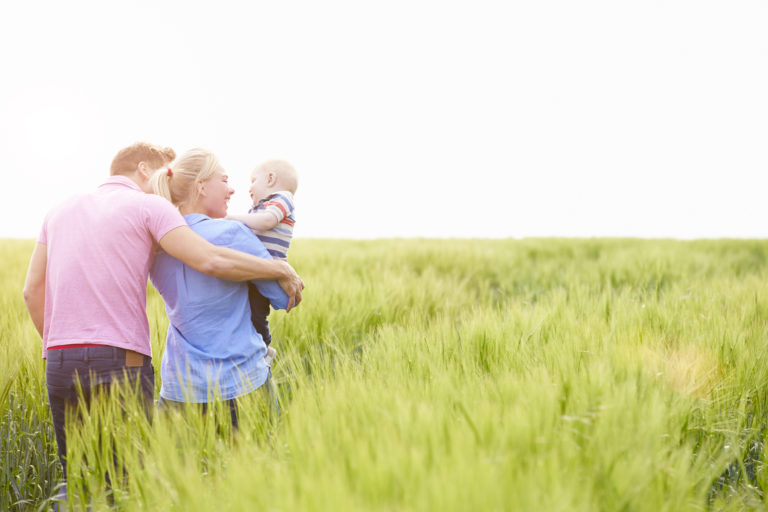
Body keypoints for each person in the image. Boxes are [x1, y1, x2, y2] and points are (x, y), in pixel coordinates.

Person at [21, 142, 303, 502]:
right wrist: (279, 265)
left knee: (83, 482)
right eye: (224, 179)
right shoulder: (168, 217)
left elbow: (32, 291)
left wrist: (59, 348)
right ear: (145, 170)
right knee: (136, 485)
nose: (232, 188)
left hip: (112, 373)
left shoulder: (71, 214)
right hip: (179, 370)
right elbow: (227, 269)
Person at [149, 148, 289, 427]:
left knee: (182, 471)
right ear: (201, 187)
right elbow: (284, 297)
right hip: (241, 384)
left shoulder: (158, 247)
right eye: (224, 180)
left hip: (178, 390)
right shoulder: (232, 234)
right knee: (256, 468)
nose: (233, 189)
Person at [227, 159, 298, 366]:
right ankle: (257, 346)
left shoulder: (283, 198)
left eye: (253, 180)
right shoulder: (259, 208)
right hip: (256, 268)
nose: (249, 187)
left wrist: (231, 218)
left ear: (270, 178)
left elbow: (267, 222)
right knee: (247, 309)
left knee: (257, 312)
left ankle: (264, 347)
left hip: (269, 268)